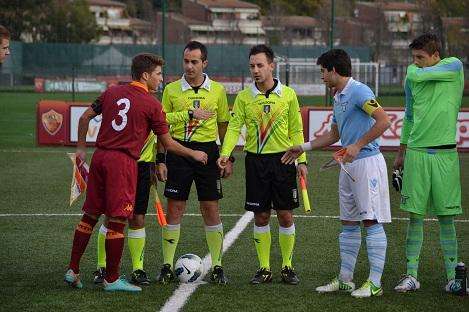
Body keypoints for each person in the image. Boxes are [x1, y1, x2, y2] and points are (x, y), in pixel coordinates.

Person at [64, 53, 208, 292]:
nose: (161, 79)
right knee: (119, 219)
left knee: (90, 215)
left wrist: (81, 150)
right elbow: (169, 143)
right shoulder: (152, 104)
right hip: (123, 163)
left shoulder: (111, 92)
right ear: (145, 75)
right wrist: (194, 154)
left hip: (100, 157)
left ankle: (73, 269)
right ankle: (112, 280)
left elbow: (86, 116)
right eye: (158, 74)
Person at [282, 49, 391, 298]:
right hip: (347, 166)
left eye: (322, 71)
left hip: (366, 164)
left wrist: (358, 145)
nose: (321, 76)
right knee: (349, 223)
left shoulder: (360, 91)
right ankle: (345, 279)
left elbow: (384, 121)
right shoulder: (338, 95)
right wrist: (303, 147)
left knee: (371, 221)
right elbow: (334, 134)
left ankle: (375, 283)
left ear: (333, 70)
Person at [218, 44, 308, 285]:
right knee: (261, 216)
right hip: (256, 162)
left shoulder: (288, 94)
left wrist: (302, 160)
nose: (255, 70)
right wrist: (225, 153)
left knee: (286, 215)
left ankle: (287, 267)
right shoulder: (244, 97)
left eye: (260, 65)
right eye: (252, 66)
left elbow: (296, 129)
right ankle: (264, 268)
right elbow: (234, 128)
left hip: (284, 160)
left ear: (271, 65)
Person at [156, 41, 231, 284]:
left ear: (204, 63)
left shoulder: (218, 90)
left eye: (194, 62)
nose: (189, 66)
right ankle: (167, 265)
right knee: (174, 209)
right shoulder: (171, 90)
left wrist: (227, 157)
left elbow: (223, 125)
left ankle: (218, 266)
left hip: (208, 153)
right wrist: (161, 159)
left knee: (210, 208)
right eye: (186, 61)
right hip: (178, 151)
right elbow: (161, 126)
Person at [393, 34, 464, 293]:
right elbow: (409, 117)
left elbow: (419, 75)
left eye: (421, 58)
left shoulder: (454, 66)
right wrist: (400, 153)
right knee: (415, 217)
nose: (416, 63)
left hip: (446, 155)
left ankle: (453, 278)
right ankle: (411, 275)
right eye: (413, 58)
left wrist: (415, 71)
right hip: (417, 153)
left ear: (436, 56)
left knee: (447, 218)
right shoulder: (412, 78)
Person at [93, 132, 164, 286]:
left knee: (138, 218)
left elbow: (161, 130)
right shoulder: (117, 107)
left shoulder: (153, 107)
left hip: (143, 166)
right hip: (118, 164)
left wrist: (157, 162)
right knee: (111, 216)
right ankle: (102, 267)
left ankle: (138, 269)